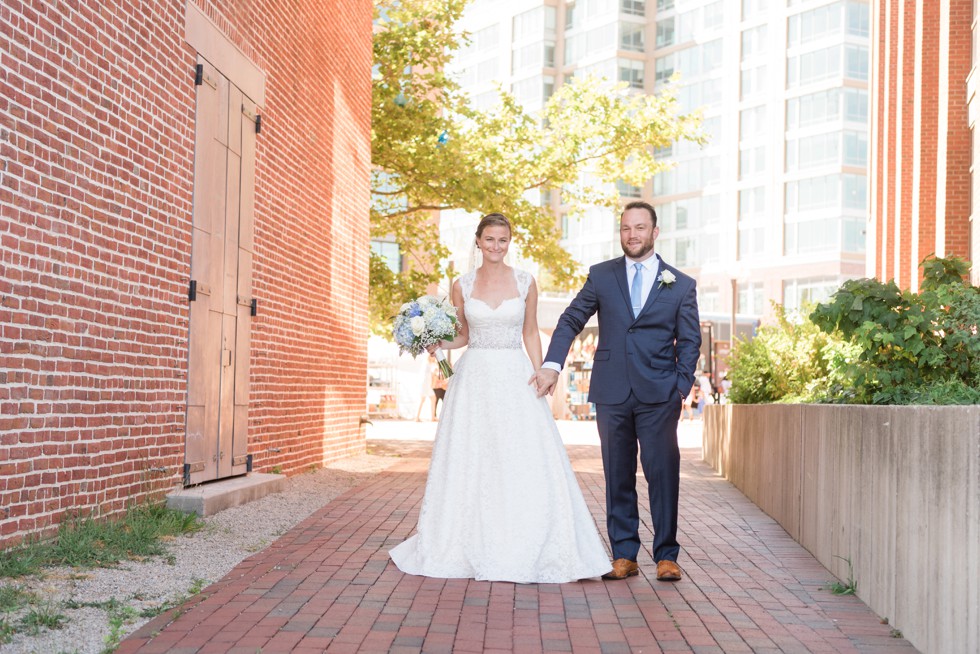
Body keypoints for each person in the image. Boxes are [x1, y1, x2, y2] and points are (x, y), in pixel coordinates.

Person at [389, 213, 610, 583]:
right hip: (474, 378)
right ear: (478, 241)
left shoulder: (526, 281)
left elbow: (530, 333)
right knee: (473, 457)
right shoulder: (461, 284)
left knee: (519, 455)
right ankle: (465, 541)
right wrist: (435, 341)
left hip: (513, 375)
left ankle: (526, 537)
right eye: (489, 239)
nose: (496, 246)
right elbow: (461, 335)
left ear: (510, 242)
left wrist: (543, 371)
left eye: (503, 240)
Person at [530, 200, 701, 583]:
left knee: (662, 473)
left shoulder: (681, 284)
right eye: (626, 228)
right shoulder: (602, 275)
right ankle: (624, 553)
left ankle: (666, 555)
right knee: (617, 474)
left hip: (660, 394)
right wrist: (552, 364)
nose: (632, 235)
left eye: (640, 228)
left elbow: (690, 341)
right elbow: (572, 318)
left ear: (655, 233)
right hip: (612, 392)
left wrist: (680, 386)